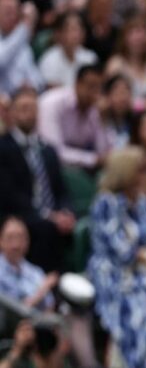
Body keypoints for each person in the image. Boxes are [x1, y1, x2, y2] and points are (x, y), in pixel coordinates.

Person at [88, 146, 146, 368]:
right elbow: (117, 247)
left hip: (142, 272)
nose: (144, 175)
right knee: (140, 304)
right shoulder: (106, 203)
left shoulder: (143, 203)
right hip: (113, 271)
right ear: (126, 172)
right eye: (140, 170)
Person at [0, 87, 75, 272]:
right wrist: (47, 215)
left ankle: (63, 287)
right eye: (22, 108)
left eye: (32, 108)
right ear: (12, 113)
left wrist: (65, 212)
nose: (28, 113)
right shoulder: (2, 147)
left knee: (65, 227)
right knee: (45, 228)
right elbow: (8, 194)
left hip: (51, 217)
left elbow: (61, 190)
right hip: (17, 214)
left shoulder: (48, 150)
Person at [38, 64, 110, 172]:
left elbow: (103, 153)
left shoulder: (95, 110)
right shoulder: (52, 103)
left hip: (79, 167)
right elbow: (54, 152)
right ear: (77, 84)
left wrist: (102, 119)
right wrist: (93, 159)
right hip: (46, 165)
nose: (95, 93)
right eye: (91, 86)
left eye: (98, 88)